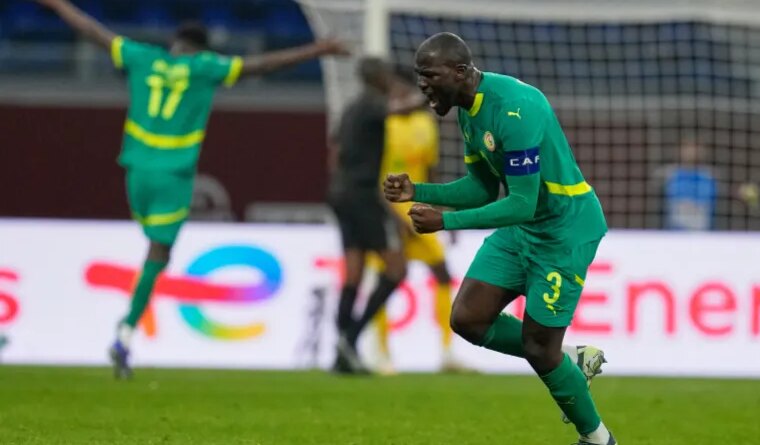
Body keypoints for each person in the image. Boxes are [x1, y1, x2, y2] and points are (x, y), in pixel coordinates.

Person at [36, 0, 348, 379]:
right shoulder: (205, 67)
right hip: (173, 174)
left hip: (135, 170)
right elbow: (260, 66)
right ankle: (127, 329)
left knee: (152, 246)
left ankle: (127, 328)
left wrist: (57, 4)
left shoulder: (142, 57)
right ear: (202, 48)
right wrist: (318, 49)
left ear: (175, 43)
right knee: (158, 254)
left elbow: (91, 30)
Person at [384, 33, 615, 444]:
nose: (422, 85)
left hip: (563, 231)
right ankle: (572, 363)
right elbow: (482, 188)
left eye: (429, 75)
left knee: (540, 349)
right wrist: (418, 191)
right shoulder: (469, 110)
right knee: (468, 320)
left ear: (459, 72)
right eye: (419, 76)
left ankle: (598, 438)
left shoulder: (515, 108)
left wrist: (446, 223)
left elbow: (522, 203)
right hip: (523, 229)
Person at [367, 66, 467, 374]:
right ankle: (380, 353)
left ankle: (448, 353)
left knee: (442, 272)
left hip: (418, 212)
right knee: (387, 278)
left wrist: (443, 212)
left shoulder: (425, 124)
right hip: (387, 214)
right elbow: (369, 175)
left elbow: (431, 171)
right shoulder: (382, 123)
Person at [327, 57, 423, 374]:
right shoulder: (373, 105)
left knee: (353, 271)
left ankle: (343, 354)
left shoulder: (352, 108)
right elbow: (408, 108)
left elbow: (336, 150)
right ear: (378, 78)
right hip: (361, 194)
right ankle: (350, 339)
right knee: (396, 269)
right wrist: (436, 90)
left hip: (342, 192)